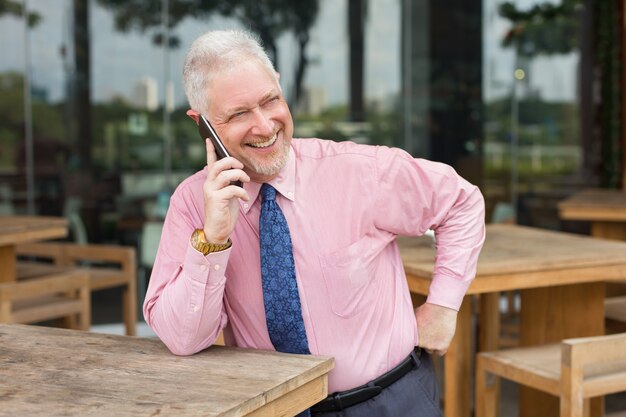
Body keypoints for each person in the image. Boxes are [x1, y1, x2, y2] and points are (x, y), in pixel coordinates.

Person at [143, 29, 485, 417]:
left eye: (270, 101)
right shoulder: (191, 204)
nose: (264, 126)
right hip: (275, 408)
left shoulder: (358, 170)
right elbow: (184, 339)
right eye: (239, 114)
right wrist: (214, 238)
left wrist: (443, 306)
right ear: (201, 123)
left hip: (392, 401)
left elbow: (461, 201)